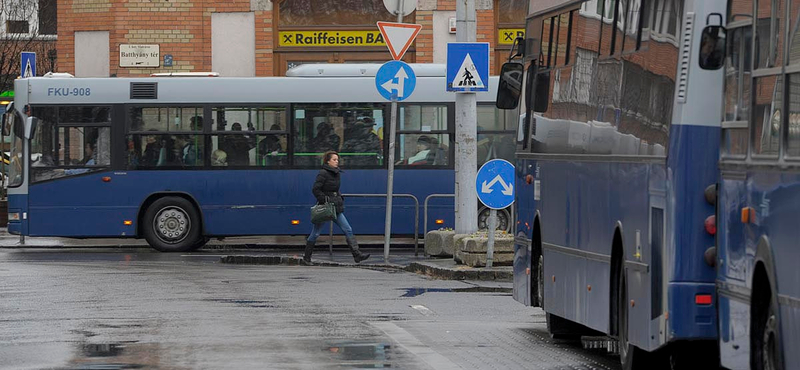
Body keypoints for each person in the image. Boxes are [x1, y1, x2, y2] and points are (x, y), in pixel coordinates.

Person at [302, 151, 370, 265]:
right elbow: (315, 189)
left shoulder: (337, 173)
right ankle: (306, 257)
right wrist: (325, 199)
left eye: (337, 160)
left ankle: (357, 255)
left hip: (336, 206)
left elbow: (334, 189)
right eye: (334, 159)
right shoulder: (323, 173)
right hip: (325, 207)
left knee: (347, 229)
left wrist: (339, 196)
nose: (336, 162)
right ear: (328, 161)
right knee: (316, 233)